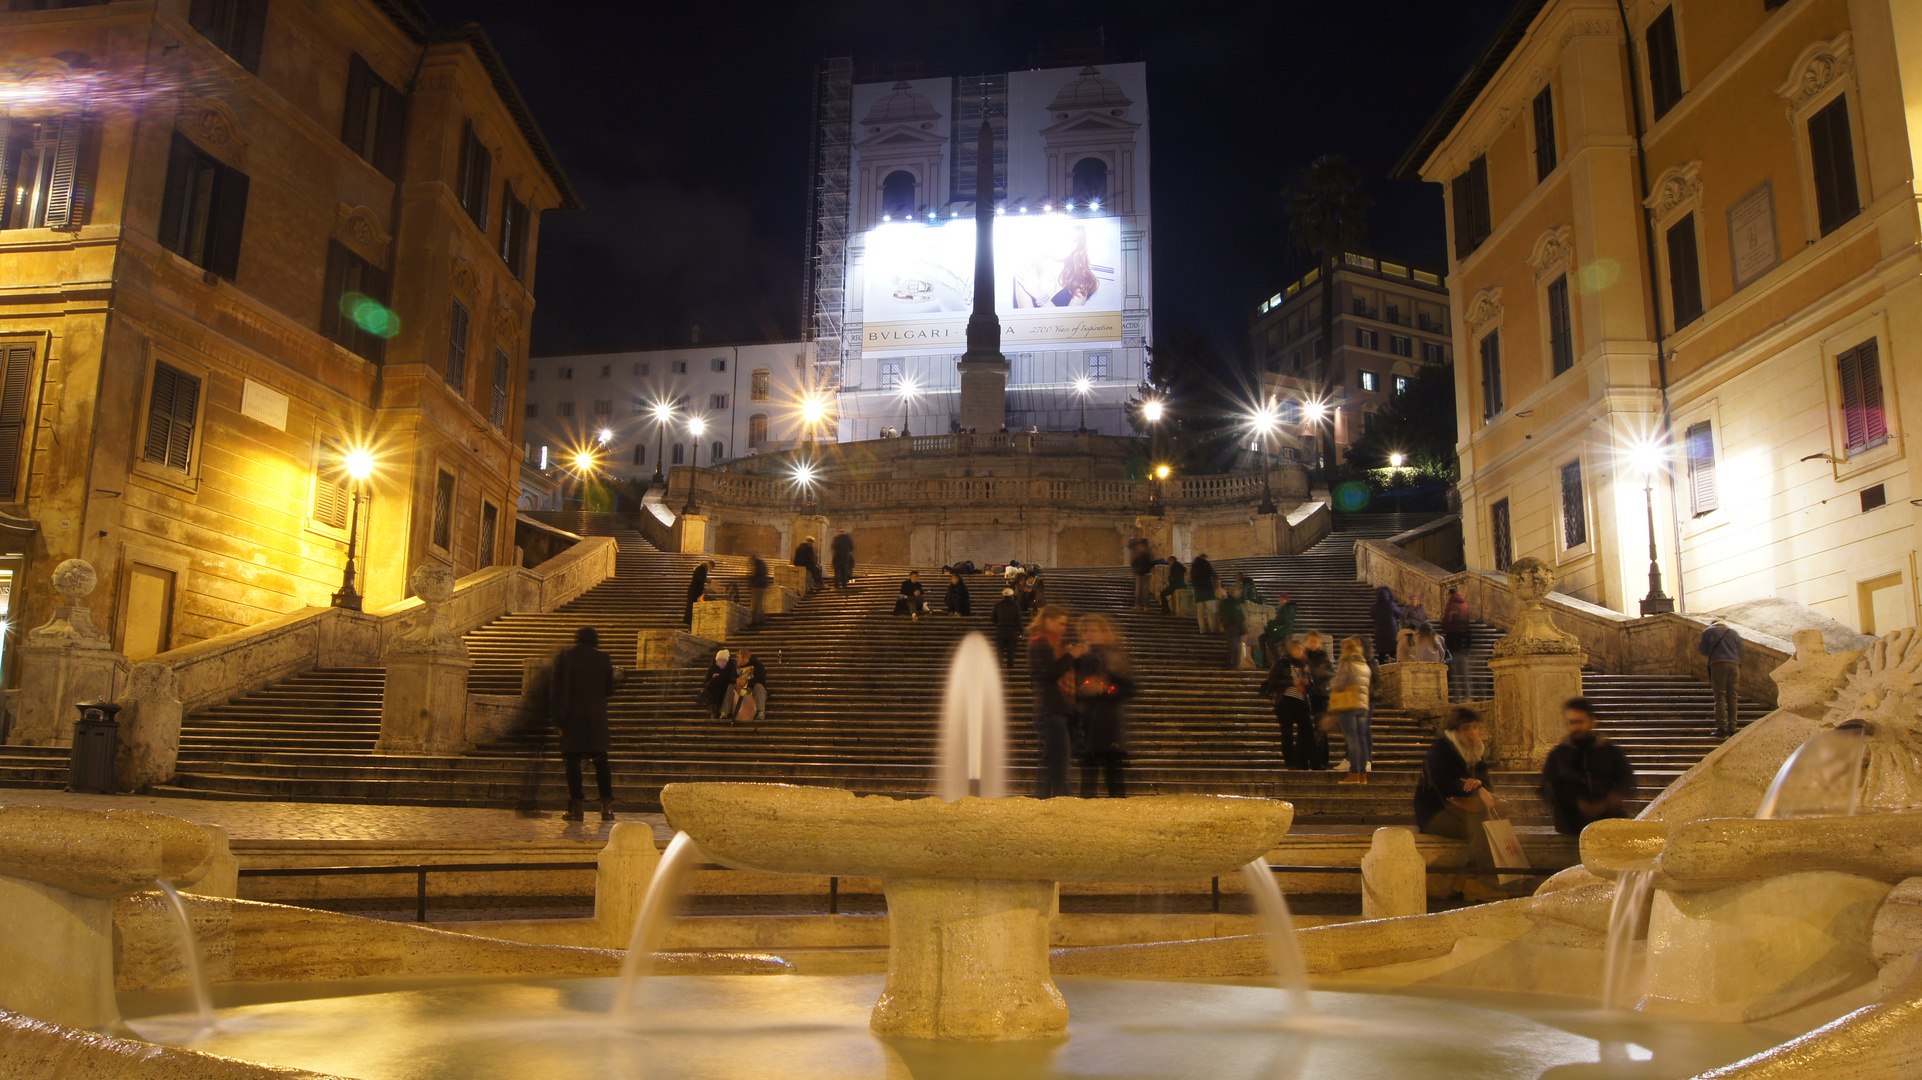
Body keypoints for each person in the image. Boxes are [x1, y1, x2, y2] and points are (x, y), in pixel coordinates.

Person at [1416, 707, 1512, 902]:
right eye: (1467, 728)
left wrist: (1481, 789)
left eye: (1476, 727)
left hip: (1465, 809)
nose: (1473, 733)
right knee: (1483, 828)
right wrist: (1473, 787)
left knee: (1491, 822)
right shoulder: (1441, 750)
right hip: (1436, 812)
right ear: (1456, 730)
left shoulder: (1476, 751)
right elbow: (1445, 784)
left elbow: (1486, 784)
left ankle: (1466, 882)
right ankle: (1482, 883)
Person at [549, 627, 621, 821]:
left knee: (573, 763)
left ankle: (577, 808)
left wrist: (558, 721)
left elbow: (556, 690)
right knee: (601, 762)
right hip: (596, 718)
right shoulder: (603, 658)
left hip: (571, 718)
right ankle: (606, 807)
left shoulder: (565, 657)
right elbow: (609, 690)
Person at [1539, 697, 1635, 836]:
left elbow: (1627, 781)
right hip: (1571, 825)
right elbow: (1545, 787)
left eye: (1579, 722)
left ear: (1593, 721)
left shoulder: (1611, 752)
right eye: (1571, 722)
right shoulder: (1559, 754)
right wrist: (1577, 803)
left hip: (1607, 821)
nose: (1575, 727)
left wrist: (1609, 801)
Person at [1073, 613, 1135, 798]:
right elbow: (1071, 688)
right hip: (1086, 724)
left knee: (1115, 782)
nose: (1088, 635)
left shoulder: (1115, 657)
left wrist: (1104, 689)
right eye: (1085, 631)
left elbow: (1129, 688)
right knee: (1087, 785)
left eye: (1092, 631)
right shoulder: (1079, 658)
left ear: (1104, 632)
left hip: (1109, 725)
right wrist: (1082, 690)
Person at [1027, 604, 1085, 799]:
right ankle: (1062, 804)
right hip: (1051, 709)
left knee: (1049, 761)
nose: (1064, 628)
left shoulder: (1053, 644)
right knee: (1060, 764)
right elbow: (1049, 673)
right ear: (1048, 621)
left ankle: (1041, 801)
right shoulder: (1041, 642)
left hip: (1053, 709)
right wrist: (1071, 655)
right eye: (1060, 624)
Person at [1260, 636, 1317, 770]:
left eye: (1302, 649)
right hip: (1285, 700)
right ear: (1291, 650)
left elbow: (1311, 686)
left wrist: (1308, 684)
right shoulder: (1282, 663)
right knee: (1287, 732)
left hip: (1301, 701)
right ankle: (1291, 763)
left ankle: (1312, 762)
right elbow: (1272, 682)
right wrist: (1292, 682)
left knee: (1308, 731)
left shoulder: (1304, 666)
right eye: (1297, 649)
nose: (1300, 652)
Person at [1330, 637, 1372, 783]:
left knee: (1352, 739)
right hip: (1363, 705)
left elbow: (1341, 683)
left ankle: (1353, 773)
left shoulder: (1346, 662)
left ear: (1346, 649)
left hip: (1349, 704)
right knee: (1362, 739)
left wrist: (1332, 684)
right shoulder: (1364, 665)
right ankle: (1363, 774)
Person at [1698, 618, 1743, 738]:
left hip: (1718, 664)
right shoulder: (1733, 633)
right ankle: (1733, 727)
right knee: (1732, 698)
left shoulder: (1708, 632)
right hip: (1734, 666)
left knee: (1720, 697)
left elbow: (1702, 649)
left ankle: (1722, 728)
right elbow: (1740, 650)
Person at [1301, 630, 1334, 770]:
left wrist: (1323, 673)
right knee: (1307, 729)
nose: (1313, 644)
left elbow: (1332, 674)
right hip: (1306, 695)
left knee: (1321, 729)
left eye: (1316, 641)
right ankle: (1308, 758)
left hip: (1320, 695)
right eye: (1311, 641)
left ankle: (1322, 758)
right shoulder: (1302, 657)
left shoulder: (1323, 658)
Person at [1441, 588, 1473, 701]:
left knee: (1451, 659)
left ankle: (1456, 692)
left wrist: (1444, 627)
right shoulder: (1464, 605)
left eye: (1448, 595)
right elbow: (1467, 619)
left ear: (1451, 595)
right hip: (1462, 633)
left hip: (1452, 633)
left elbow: (1447, 618)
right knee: (1459, 658)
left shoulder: (1451, 605)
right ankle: (1467, 693)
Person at [724, 647, 769, 722]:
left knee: (758, 686)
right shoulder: (736, 667)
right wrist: (736, 680)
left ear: (744, 658)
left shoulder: (758, 666)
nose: (737, 659)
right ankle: (724, 711)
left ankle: (760, 712)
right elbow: (731, 678)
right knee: (730, 687)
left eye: (738, 657)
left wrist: (747, 682)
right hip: (740, 690)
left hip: (754, 689)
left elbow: (761, 680)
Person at [1219, 580, 1251, 670]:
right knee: (1233, 645)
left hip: (1236, 625)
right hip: (1232, 625)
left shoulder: (1234, 601)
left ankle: (1234, 664)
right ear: (1234, 592)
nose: (1239, 593)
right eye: (1238, 591)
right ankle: (1231, 663)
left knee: (1236, 646)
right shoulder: (1229, 601)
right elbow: (1226, 613)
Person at [1260, 593, 1299, 664]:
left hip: (1284, 631)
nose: (1280, 602)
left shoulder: (1288, 608)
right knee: (1261, 638)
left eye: (1281, 600)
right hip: (1279, 630)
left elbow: (1284, 621)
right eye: (1279, 600)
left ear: (1286, 600)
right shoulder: (1284, 608)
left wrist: (1272, 623)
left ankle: (1277, 660)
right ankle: (1264, 660)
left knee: (1270, 641)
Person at [699, 648, 737, 719]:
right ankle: (714, 708)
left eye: (724, 661)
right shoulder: (712, 669)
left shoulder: (731, 669)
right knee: (716, 680)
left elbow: (731, 680)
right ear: (717, 662)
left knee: (717, 680)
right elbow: (705, 682)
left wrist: (719, 678)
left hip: (725, 690)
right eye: (720, 660)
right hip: (715, 692)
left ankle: (704, 694)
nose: (722, 662)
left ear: (727, 662)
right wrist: (713, 678)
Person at [992, 587, 1024, 668]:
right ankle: (1010, 667)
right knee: (1011, 651)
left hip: (1001, 629)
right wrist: (1021, 631)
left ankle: (999, 667)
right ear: (1012, 596)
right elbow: (1018, 619)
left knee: (1000, 651)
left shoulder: (998, 605)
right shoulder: (1015, 605)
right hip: (1012, 630)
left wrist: (998, 624)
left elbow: (993, 618)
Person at [1369, 586, 1402, 664]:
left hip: (1380, 633)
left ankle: (1381, 672)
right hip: (1392, 633)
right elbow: (1399, 614)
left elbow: (1372, 615)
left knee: (1381, 656)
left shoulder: (1374, 607)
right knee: (1393, 655)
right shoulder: (1391, 605)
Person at [1190, 554, 1219, 634]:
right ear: (1205, 559)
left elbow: (1192, 580)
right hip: (1208, 592)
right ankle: (1212, 629)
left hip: (1198, 592)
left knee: (1200, 613)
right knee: (1211, 612)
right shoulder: (1206, 564)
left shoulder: (1194, 568)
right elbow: (1214, 575)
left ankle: (1202, 630)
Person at [1129, 537, 1156, 612]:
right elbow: (1134, 564)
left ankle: (1146, 606)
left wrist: (1142, 570)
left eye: (1141, 546)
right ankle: (1138, 605)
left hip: (1145, 575)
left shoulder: (1147, 555)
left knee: (1145, 591)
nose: (1139, 547)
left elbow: (1150, 564)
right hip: (1139, 575)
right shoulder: (1139, 555)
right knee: (1138, 591)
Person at [683, 560, 714, 626]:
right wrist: (709, 582)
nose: (710, 570)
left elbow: (701, 580)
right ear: (710, 565)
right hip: (695, 591)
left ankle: (691, 622)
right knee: (692, 606)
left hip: (696, 590)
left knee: (693, 606)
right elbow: (701, 579)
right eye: (711, 569)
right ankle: (690, 622)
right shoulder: (701, 568)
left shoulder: (702, 568)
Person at [747, 553, 772, 628]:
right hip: (761, 585)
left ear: (752, 558)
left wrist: (751, 582)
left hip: (757, 586)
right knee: (759, 603)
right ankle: (761, 620)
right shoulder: (761, 563)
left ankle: (755, 622)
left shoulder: (757, 564)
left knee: (755, 604)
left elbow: (756, 574)